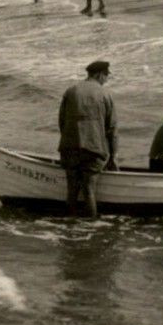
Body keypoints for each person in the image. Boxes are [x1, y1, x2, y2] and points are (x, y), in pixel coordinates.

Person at [57, 60, 118, 218]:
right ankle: (91, 231)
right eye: (106, 76)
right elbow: (111, 129)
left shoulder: (71, 91)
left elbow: (61, 122)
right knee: (89, 190)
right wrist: (113, 157)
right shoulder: (106, 94)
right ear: (99, 75)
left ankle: (69, 227)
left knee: (71, 190)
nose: (106, 79)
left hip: (69, 148)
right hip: (93, 150)